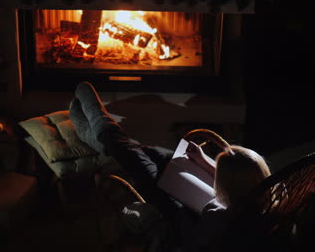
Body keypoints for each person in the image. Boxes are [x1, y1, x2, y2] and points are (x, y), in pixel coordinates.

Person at [69, 81, 272, 252]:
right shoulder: (266, 195)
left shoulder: (217, 216)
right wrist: (202, 161)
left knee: (126, 150)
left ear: (229, 187)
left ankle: (98, 118)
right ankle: (99, 132)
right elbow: (234, 176)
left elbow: (191, 243)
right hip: (185, 192)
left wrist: (185, 208)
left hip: (170, 202)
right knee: (144, 151)